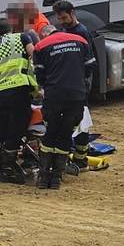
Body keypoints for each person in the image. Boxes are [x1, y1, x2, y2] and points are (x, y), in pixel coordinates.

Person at [33, 25, 95, 189]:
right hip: (76, 95)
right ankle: (56, 178)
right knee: (66, 133)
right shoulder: (80, 41)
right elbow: (90, 67)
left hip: (54, 95)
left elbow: (40, 76)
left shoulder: (41, 46)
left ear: (44, 35)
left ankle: (44, 177)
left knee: (50, 133)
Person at [0, 17, 37, 184]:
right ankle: (7, 170)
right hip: (19, 88)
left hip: (0, 91)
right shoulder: (21, 37)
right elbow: (34, 55)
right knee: (16, 128)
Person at [52, 0, 96, 167]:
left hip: (79, 84)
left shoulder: (81, 32)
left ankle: (80, 158)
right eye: (59, 19)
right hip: (69, 82)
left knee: (81, 119)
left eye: (64, 18)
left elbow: (89, 62)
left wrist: (81, 80)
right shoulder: (65, 30)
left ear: (72, 13)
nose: (61, 21)